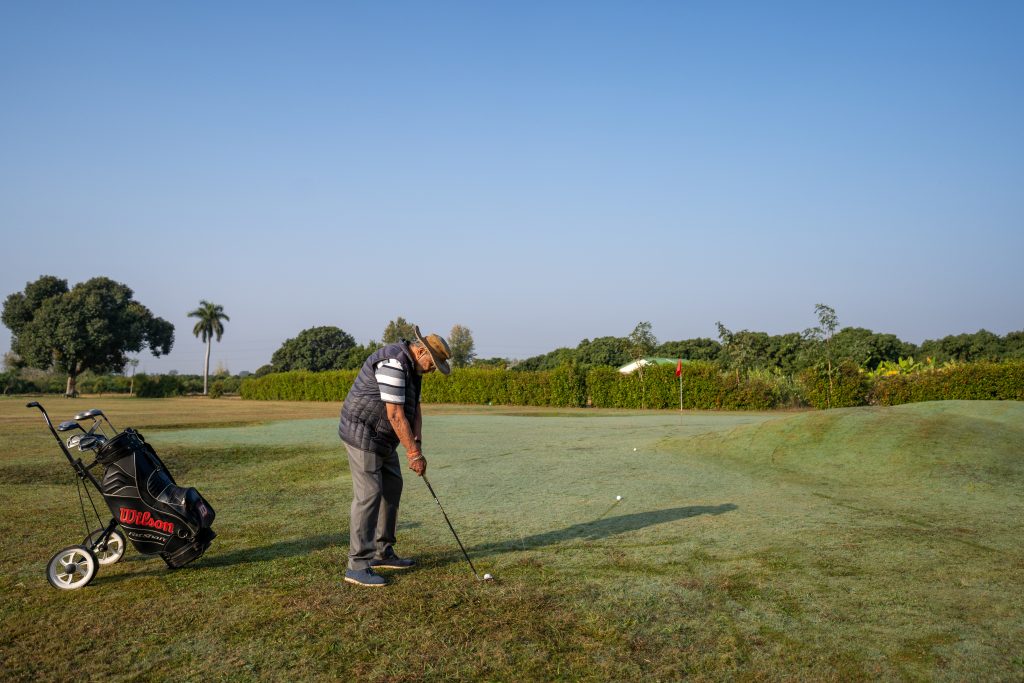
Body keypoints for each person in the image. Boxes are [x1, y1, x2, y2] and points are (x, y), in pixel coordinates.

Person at [338, 325, 452, 587]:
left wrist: (418, 445)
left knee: (392, 486)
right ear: (421, 350)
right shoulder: (393, 362)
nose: (434, 368)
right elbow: (395, 414)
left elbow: (415, 409)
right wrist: (413, 454)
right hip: (362, 433)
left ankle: (382, 551)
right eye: (433, 362)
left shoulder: (414, 369)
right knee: (369, 495)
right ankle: (357, 565)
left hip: (384, 437)